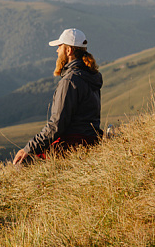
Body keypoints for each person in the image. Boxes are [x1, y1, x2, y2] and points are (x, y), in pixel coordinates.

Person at [12, 28, 103, 165]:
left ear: (69, 51)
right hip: (91, 141)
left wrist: (29, 148)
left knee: (22, 163)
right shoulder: (91, 76)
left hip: (73, 144)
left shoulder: (70, 81)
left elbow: (56, 125)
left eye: (60, 47)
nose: (57, 51)